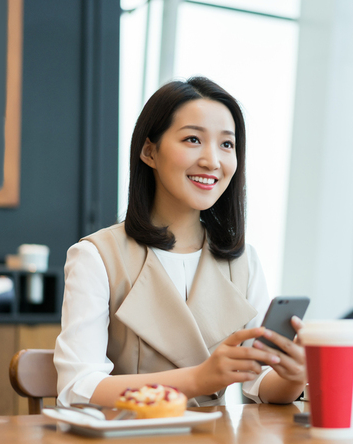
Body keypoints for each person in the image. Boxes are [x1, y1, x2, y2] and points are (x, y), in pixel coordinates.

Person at [54, 77, 306, 407]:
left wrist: (294, 375)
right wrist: (198, 379)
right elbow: (77, 387)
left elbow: (258, 380)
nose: (212, 161)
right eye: (192, 139)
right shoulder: (97, 256)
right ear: (149, 151)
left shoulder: (243, 261)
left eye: (226, 145)